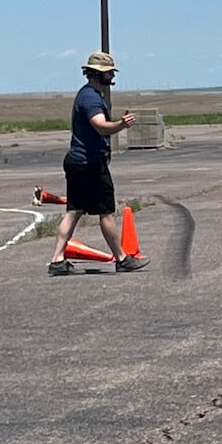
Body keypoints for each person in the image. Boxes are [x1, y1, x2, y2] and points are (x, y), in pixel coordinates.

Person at [46, 51, 151, 276]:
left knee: (74, 210)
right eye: (109, 72)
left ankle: (56, 261)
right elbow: (100, 125)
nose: (112, 75)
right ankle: (122, 258)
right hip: (90, 163)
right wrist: (122, 124)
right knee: (106, 212)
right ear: (98, 74)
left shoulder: (86, 95)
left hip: (78, 160)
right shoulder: (91, 98)